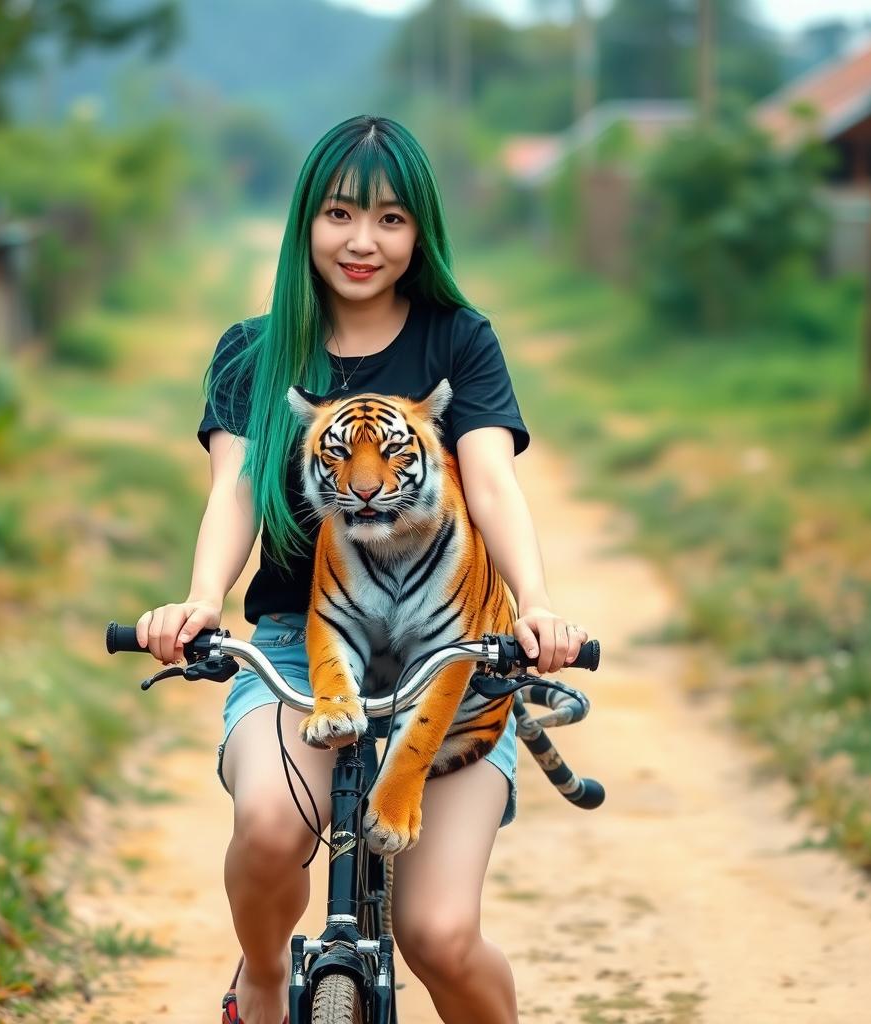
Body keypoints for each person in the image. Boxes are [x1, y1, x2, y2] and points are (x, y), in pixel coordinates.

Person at [137, 114, 589, 1024]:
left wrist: (536, 605)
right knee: (268, 827)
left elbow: (492, 482)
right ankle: (263, 976)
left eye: (390, 219)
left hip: (451, 666)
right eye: (341, 214)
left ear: (420, 231)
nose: (362, 241)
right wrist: (198, 600)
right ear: (307, 220)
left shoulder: (459, 339)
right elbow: (234, 491)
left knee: (441, 938)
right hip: (298, 653)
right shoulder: (253, 352)